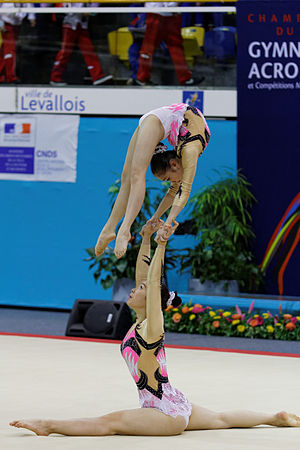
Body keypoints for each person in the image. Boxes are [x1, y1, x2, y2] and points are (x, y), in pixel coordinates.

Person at [9, 219, 300, 436]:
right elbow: (143, 271)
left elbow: (153, 276)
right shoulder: (141, 322)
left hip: (163, 412)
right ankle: (274, 417)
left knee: (109, 423)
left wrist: (161, 245)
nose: (134, 290)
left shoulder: (151, 326)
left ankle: (47, 425)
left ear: (152, 301)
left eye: (142, 289)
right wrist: (147, 238)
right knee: (222, 419)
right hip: (176, 401)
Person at [95, 102, 211, 259]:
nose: (171, 182)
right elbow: (184, 192)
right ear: (173, 164)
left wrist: (156, 218)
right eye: (168, 178)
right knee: (133, 176)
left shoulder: (183, 156)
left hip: (158, 119)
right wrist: (168, 223)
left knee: (130, 177)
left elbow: (175, 191)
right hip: (157, 120)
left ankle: (109, 230)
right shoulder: (189, 153)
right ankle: (123, 229)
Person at [50, 2, 113, 86]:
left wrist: (90, 11)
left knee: (88, 50)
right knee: (65, 51)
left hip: (82, 24)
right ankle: (55, 77)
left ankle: (97, 76)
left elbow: (94, 9)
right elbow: (63, 8)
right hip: (70, 23)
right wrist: (80, 11)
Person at [135, 2, 195, 86]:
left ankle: (185, 78)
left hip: (172, 13)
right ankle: (142, 78)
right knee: (148, 48)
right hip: (155, 12)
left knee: (176, 47)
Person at [0, 3, 35, 84]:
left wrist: (31, 16)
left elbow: (28, 3)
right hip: (6, 24)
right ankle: (11, 77)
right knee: (10, 50)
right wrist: (0, 23)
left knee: (4, 50)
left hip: (17, 24)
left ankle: (2, 76)